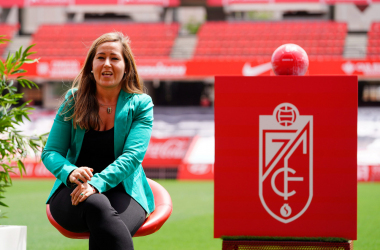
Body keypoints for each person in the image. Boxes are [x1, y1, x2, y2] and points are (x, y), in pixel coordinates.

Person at [42, 32, 154, 250]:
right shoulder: (73, 100)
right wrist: (70, 171)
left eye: (114, 58)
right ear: (91, 66)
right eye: (101, 57)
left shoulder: (141, 104)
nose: (107, 64)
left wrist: (96, 183)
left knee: (105, 231)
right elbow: (51, 152)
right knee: (97, 206)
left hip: (125, 191)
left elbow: (132, 157)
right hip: (74, 190)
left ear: (127, 67)